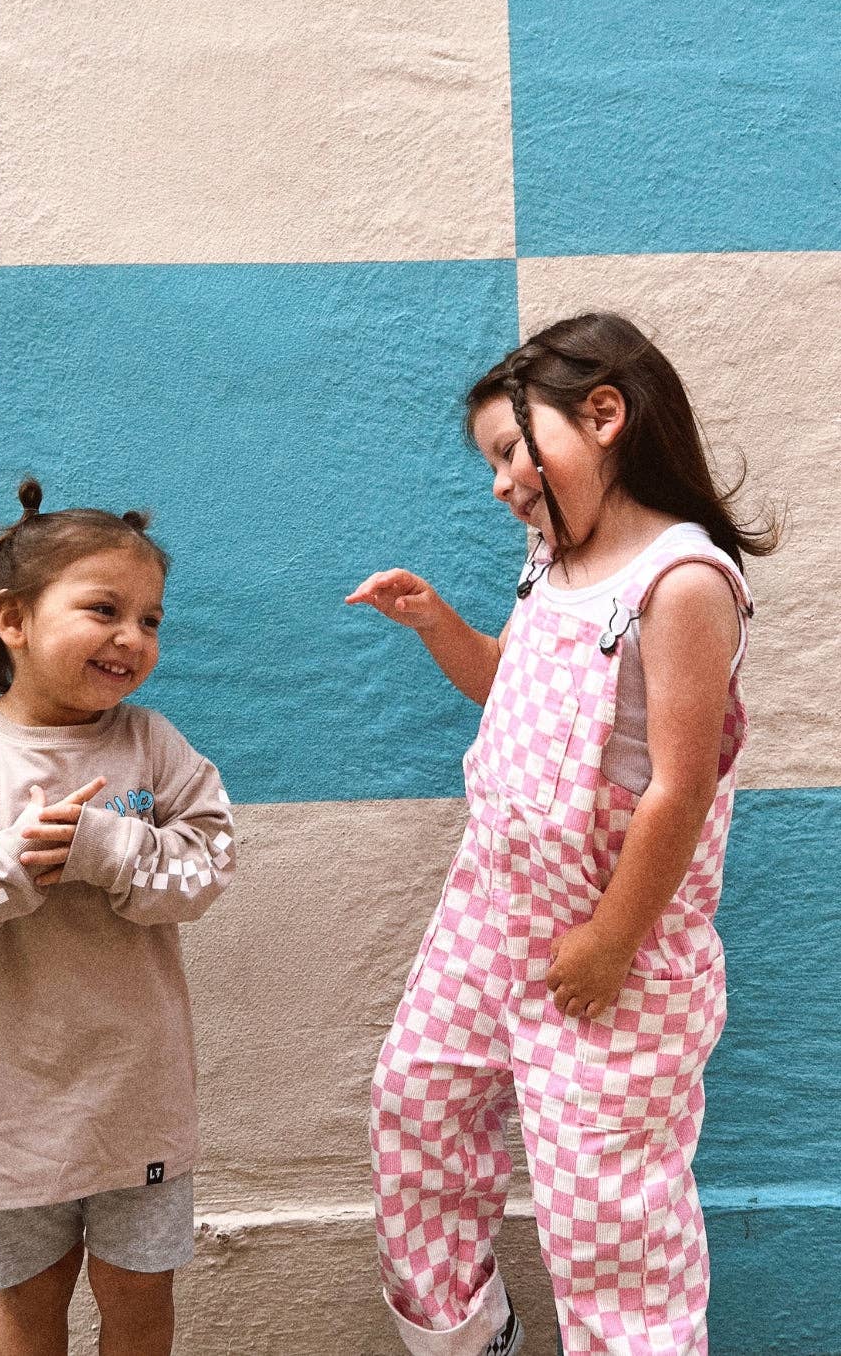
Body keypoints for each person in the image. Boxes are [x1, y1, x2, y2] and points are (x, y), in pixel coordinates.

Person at [346, 313, 777, 1356]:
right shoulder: (552, 559)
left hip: (611, 940)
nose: (502, 484)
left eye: (510, 451)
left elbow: (679, 789)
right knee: (416, 1102)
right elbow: (511, 689)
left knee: (606, 1213)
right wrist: (440, 626)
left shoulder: (680, 581)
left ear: (604, 415)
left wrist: (612, 940)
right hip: (489, 909)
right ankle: (465, 1336)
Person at [0, 480, 235, 1356]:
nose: (132, 637)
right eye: (104, 609)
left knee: (139, 1303)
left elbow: (209, 868)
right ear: (14, 620)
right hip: (13, 1102)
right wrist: (10, 868)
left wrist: (109, 848)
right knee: (29, 1305)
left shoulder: (153, 744)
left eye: (150, 619)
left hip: (139, 1095)